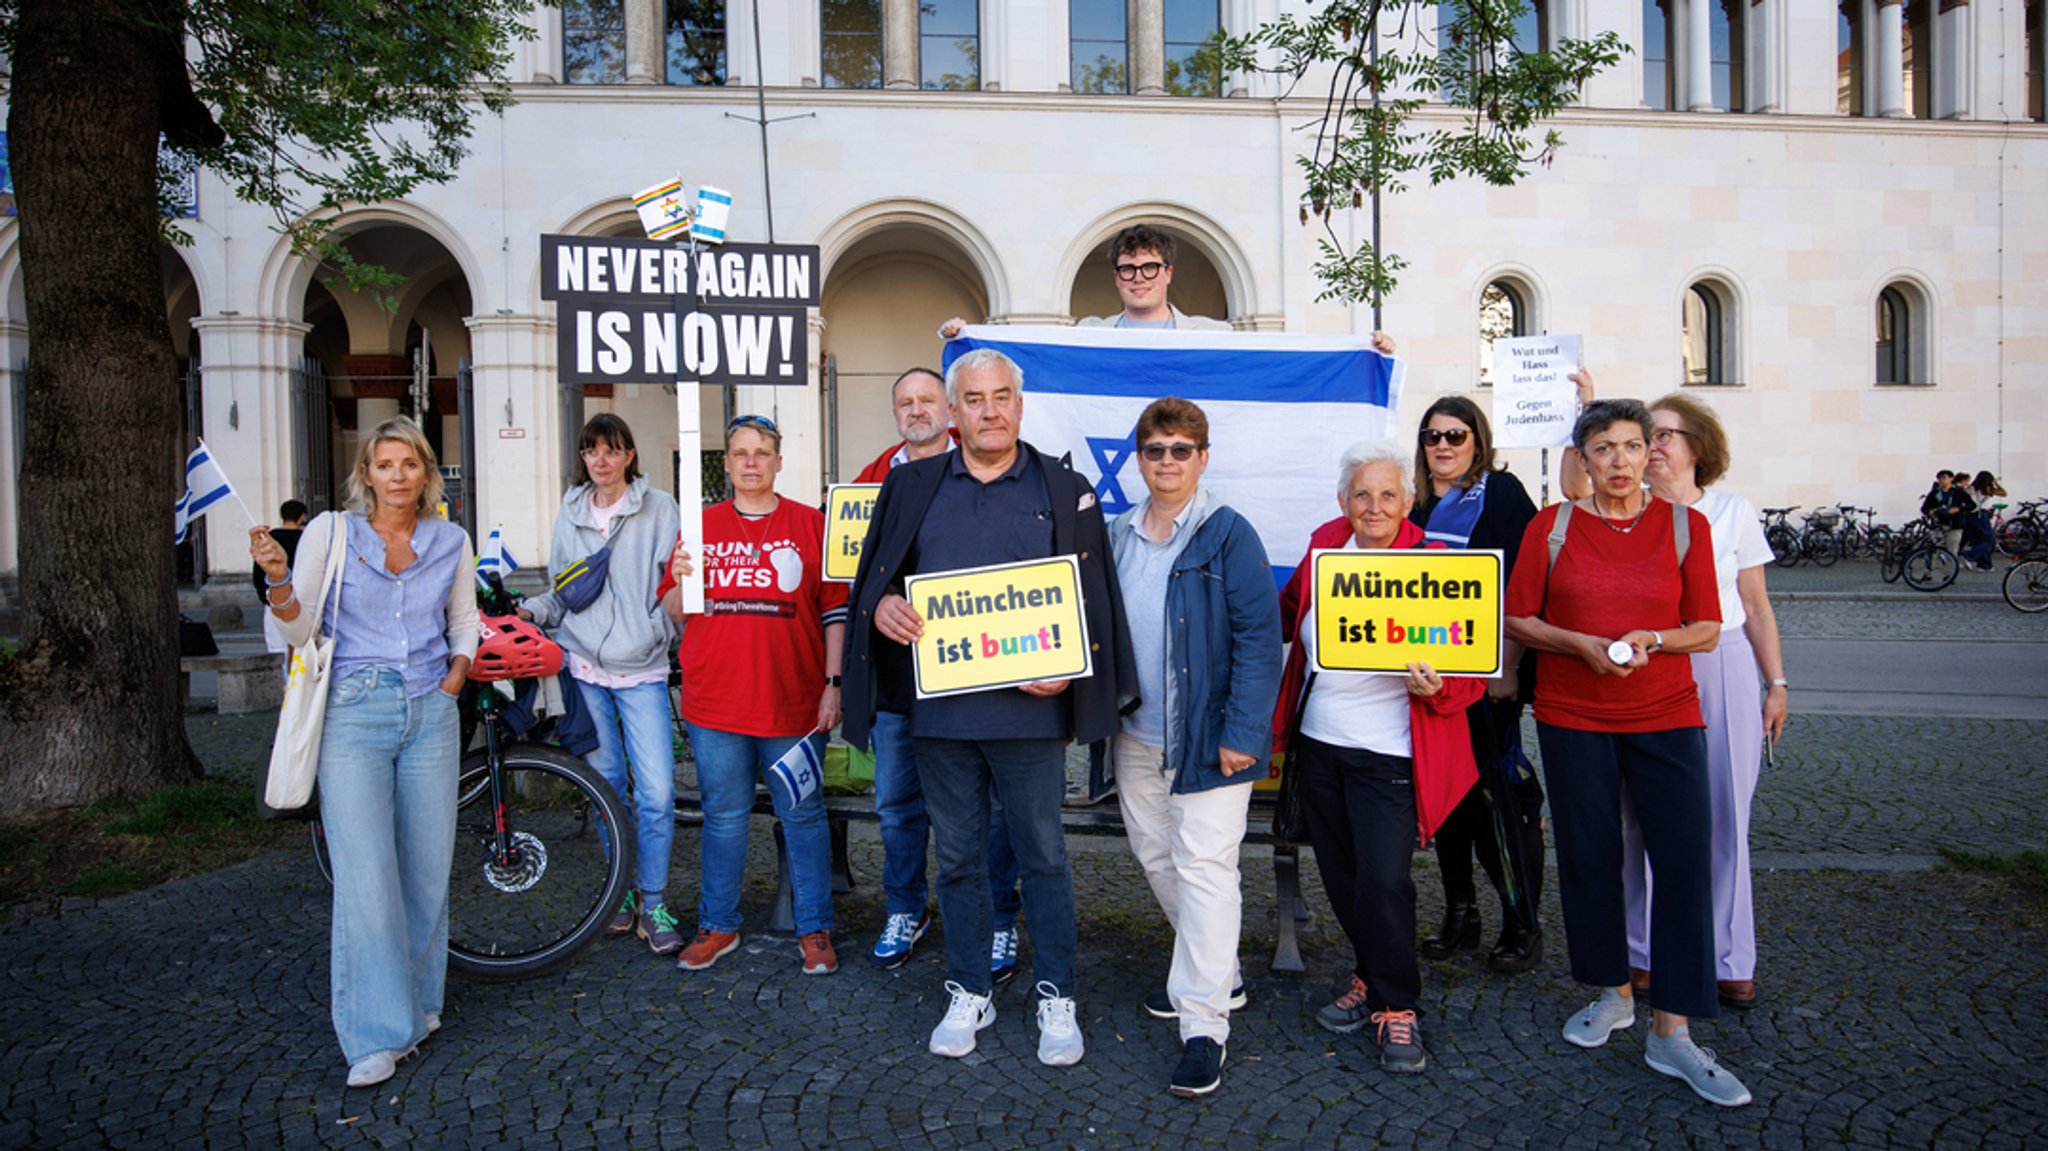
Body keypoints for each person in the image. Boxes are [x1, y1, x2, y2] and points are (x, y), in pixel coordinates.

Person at [842, 347, 1137, 1067]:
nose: (989, 410)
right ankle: (969, 985)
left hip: (1030, 717)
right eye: (973, 399)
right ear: (952, 411)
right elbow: (876, 579)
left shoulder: (1063, 486)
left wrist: (1070, 669)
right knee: (962, 858)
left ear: (1020, 404)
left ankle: (1056, 992)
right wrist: (882, 609)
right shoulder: (910, 485)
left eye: (1002, 396)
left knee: (1043, 857)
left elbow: (1093, 603)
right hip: (941, 715)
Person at [1503, 398, 1753, 1108]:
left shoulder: (1685, 525)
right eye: (1603, 448)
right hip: (1573, 714)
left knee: (1681, 861)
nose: (1618, 462)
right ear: (1582, 457)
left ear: (1652, 452)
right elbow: (1519, 615)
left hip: (1667, 713)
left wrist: (1654, 638)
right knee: (1589, 855)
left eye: (1632, 446)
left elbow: (1706, 626)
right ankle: (1612, 990)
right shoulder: (1551, 527)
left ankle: (1672, 1029)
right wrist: (1576, 644)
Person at [250, 416, 476, 1089]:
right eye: (385, 464)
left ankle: (420, 1001)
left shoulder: (450, 539)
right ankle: (376, 1033)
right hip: (354, 711)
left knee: (427, 867)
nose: (398, 475)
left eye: (410, 463)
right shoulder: (332, 532)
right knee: (367, 871)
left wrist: (456, 673)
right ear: (366, 473)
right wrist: (278, 582)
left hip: (430, 712)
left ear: (427, 471)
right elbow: (295, 629)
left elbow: (463, 617)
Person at [1272, 440, 1484, 1075]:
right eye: (1362, 494)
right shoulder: (1324, 548)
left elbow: (1473, 666)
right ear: (1344, 500)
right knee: (1341, 877)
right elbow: (1288, 615)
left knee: (1386, 882)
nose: (1374, 506)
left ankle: (1398, 1007)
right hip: (1321, 745)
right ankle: (1369, 974)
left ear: (1409, 501)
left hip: (1392, 752)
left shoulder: (1439, 562)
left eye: (1387, 494)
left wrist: (1438, 685)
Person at [1108, 397, 1283, 1097]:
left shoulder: (1227, 534)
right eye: (1156, 450)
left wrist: (1244, 731)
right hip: (1136, 733)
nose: (1168, 462)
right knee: (1158, 857)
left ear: (1202, 458)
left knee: (1206, 868)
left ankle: (1204, 1024)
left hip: (1211, 737)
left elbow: (1259, 641)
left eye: (1182, 450)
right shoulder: (1118, 532)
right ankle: (1220, 972)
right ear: (1140, 458)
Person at [1613, 393, 1789, 1014]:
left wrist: (1776, 684)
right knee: (1643, 812)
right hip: (1649, 664)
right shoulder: (1627, 510)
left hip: (1723, 662)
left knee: (1724, 813)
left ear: (1698, 446)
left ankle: (1728, 956)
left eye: (1663, 435)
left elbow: (1759, 606)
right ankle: (1644, 949)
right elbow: (1581, 470)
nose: (1652, 447)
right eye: (1646, 437)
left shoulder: (1732, 512)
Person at [853, 367, 1025, 978]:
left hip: (984, 675)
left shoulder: (986, 463)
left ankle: (1000, 915)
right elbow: (864, 579)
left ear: (948, 408)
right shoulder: (874, 478)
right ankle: (906, 907)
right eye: (906, 401)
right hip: (903, 681)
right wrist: (880, 605)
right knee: (898, 803)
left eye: (928, 399)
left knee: (996, 808)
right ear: (895, 411)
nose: (917, 409)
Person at [663, 415, 846, 975]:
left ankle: (814, 927)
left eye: (761, 453)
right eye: (740, 453)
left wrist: (833, 685)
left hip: (793, 704)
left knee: (805, 815)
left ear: (778, 461)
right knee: (722, 816)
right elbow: (673, 611)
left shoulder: (810, 524)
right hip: (715, 704)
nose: (750, 462)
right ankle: (718, 924)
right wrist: (676, 577)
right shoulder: (698, 527)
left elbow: (835, 612)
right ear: (726, 463)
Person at [518, 414, 683, 955]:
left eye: (612, 451)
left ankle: (654, 898)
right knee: (606, 785)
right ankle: (625, 894)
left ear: (630, 455)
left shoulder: (659, 506)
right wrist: (532, 613)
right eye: (592, 451)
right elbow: (564, 587)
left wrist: (657, 626)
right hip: (584, 663)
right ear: (583, 458)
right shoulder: (570, 509)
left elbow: (672, 581)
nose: (601, 461)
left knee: (656, 791)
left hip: (642, 667)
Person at [1405, 396, 1548, 976]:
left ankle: (1522, 920)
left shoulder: (1501, 495)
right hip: (1429, 683)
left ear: (1477, 440)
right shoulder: (1412, 503)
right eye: (1432, 436)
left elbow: (1524, 584)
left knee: (1498, 802)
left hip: (1487, 680)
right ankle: (1461, 912)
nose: (1443, 446)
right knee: (1450, 802)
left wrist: (1509, 667)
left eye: (1455, 436)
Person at [938, 223, 1233, 338]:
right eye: (1128, 269)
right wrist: (970, 336)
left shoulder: (1216, 335)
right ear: (1117, 278)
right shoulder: (1089, 332)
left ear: (1168, 273)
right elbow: (1032, 349)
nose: (1139, 278)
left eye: (1150, 268)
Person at [253, 499, 310, 668]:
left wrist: (265, 597)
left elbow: (258, 573)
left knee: (276, 648)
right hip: (301, 600)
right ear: (301, 518)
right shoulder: (306, 538)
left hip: (274, 597)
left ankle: (282, 687)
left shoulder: (270, 539)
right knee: (301, 647)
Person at [1921, 469, 1975, 557]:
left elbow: (1972, 505)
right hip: (1938, 524)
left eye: (1944, 478)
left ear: (1951, 479)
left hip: (1955, 524)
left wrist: (1958, 509)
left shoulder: (1958, 492)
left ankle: (1951, 567)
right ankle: (1932, 568)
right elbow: (1924, 508)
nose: (1941, 480)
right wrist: (1931, 511)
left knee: (1952, 549)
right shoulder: (1935, 493)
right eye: (1939, 478)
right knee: (1934, 549)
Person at [1961, 470, 2006, 571]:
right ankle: (1968, 555)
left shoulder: (1971, 488)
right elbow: (2004, 493)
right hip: (1981, 515)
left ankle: (1984, 565)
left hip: (1969, 516)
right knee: (1989, 540)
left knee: (1978, 541)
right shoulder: (1987, 489)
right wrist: (1996, 483)